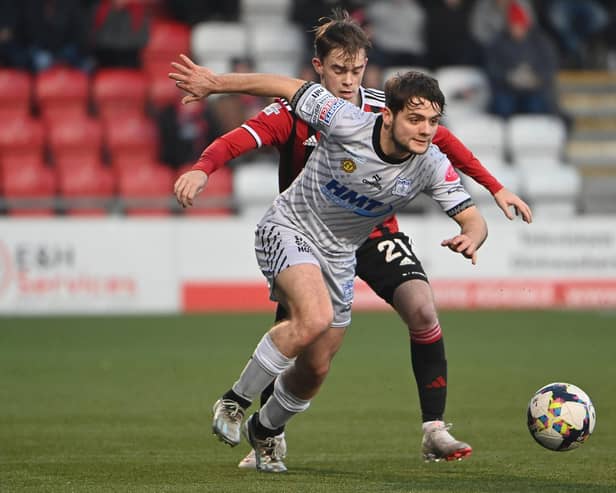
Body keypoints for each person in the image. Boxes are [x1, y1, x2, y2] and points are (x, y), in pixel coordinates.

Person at [170, 13, 530, 472]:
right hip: (293, 227)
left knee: (318, 364)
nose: (347, 80)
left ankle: (266, 429)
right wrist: (214, 93)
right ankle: (234, 402)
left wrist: (476, 226)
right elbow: (275, 93)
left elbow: (461, 187)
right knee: (310, 319)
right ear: (319, 67)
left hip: (352, 243)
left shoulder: (420, 144)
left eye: (355, 70)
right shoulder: (334, 114)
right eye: (338, 69)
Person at [484, 2, 560, 118]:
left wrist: (536, 77)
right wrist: (508, 77)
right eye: (514, 26)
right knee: (503, 106)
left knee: (537, 105)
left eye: (520, 26)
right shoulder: (498, 42)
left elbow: (549, 65)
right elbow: (492, 68)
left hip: (534, 90)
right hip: (506, 90)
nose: (517, 30)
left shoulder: (540, 42)